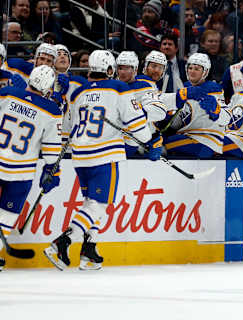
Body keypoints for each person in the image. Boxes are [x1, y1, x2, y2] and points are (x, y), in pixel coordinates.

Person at [44, 50, 164, 271]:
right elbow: (136, 124)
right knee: (100, 205)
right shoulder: (119, 88)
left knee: (91, 203)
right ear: (110, 70)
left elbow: (67, 128)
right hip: (105, 155)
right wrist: (151, 141)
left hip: (80, 156)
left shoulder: (77, 93)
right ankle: (62, 242)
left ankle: (89, 251)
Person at [0, 65, 62, 271]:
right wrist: (52, 171)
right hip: (21, 172)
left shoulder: (7, 94)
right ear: (47, 88)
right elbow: (52, 150)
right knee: (8, 213)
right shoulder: (52, 110)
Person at [164, 53, 230, 159]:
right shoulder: (185, 89)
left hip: (207, 141)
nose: (192, 71)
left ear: (205, 72)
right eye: (190, 68)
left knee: (162, 144)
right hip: (190, 138)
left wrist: (216, 110)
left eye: (197, 69)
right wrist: (169, 117)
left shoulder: (213, 89)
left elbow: (226, 119)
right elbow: (179, 122)